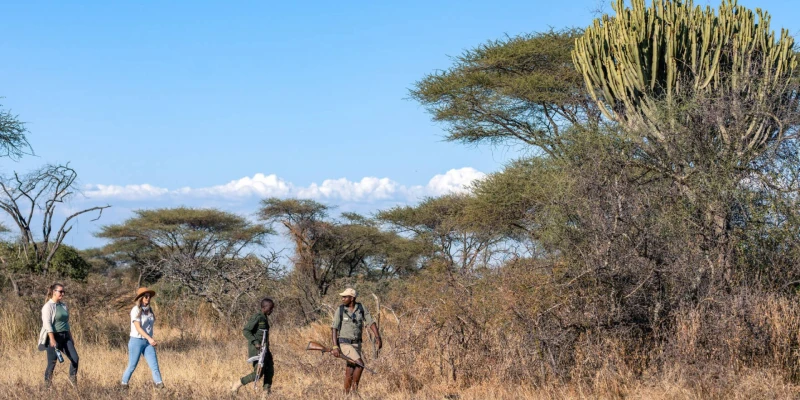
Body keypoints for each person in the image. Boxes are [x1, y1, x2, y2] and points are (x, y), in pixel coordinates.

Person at [330, 288, 381, 394]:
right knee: (360, 364)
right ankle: (354, 391)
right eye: (342, 297)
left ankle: (345, 394)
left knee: (350, 369)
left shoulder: (361, 308)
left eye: (345, 297)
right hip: (344, 343)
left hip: (357, 344)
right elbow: (334, 328)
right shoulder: (340, 310)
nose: (342, 299)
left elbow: (371, 322)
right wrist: (335, 346)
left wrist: (378, 337)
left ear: (352, 298)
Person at [121, 287, 165, 390]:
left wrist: (150, 339)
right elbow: (138, 327)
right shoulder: (135, 310)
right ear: (140, 298)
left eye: (149, 296)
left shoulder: (150, 310)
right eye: (145, 296)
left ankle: (160, 386)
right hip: (136, 341)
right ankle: (123, 385)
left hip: (147, 342)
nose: (148, 298)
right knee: (132, 366)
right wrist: (150, 338)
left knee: (154, 366)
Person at [37, 283, 79, 388]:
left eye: (63, 291)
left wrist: (70, 336)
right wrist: (52, 339)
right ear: (54, 292)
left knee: (75, 358)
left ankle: (72, 382)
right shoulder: (48, 306)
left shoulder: (63, 305)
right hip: (53, 337)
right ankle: (47, 387)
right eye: (60, 291)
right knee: (52, 363)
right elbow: (47, 324)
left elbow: (66, 322)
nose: (63, 293)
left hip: (65, 336)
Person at [231, 297, 275, 398]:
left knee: (270, 370)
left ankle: (265, 394)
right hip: (257, 351)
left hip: (265, 350)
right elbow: (246, 330)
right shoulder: (258, 317)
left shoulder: (264, 317)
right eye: (270, 308)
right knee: (258, 374)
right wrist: (255, 342)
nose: (271, 311)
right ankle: (236, 385)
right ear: (264, 307)